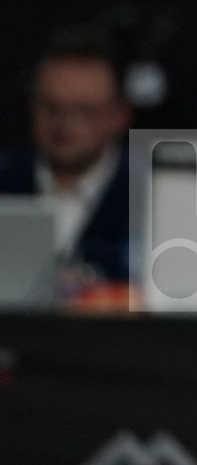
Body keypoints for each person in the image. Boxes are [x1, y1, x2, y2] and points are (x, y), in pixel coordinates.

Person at [0, 26, 134, 284]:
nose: (64, 125)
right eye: (52, 108)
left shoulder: (153, 198)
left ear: (120, 115)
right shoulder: (5, 182)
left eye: (84, 111)